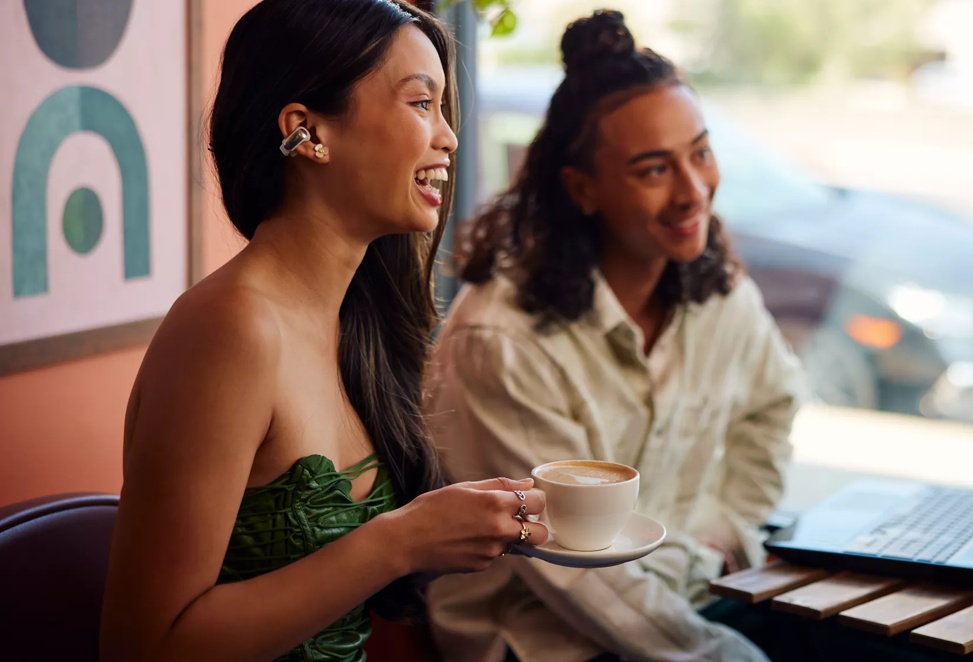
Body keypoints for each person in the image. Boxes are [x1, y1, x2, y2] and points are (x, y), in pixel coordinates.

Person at [98, 2, 548, 660]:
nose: (448, 137)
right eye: (421, 103)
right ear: (307, 133)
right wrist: (399, 541)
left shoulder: (355, 321)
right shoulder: (230, 329)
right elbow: (142, 646)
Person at [424, 9, 807, 662]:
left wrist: (724, 533)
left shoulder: (717, 295)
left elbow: (772, 406)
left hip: (691, 601)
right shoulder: (502, 342)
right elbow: (578, 577)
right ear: (582, 189)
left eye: (701, 153)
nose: (694, 192)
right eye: (654, 170)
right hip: (547, 642)